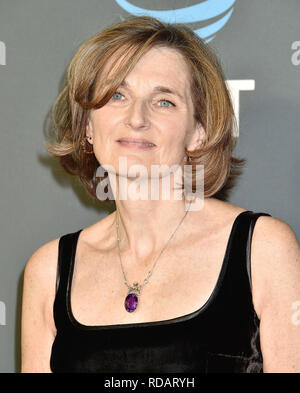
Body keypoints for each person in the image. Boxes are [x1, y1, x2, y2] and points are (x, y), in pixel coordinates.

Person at [21, 15, 300, 373]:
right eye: (117, 95)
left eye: (164, 101)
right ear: (88, 126)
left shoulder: (263, 250)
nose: (136, 118)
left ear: (198, 132)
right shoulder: (48, 271)